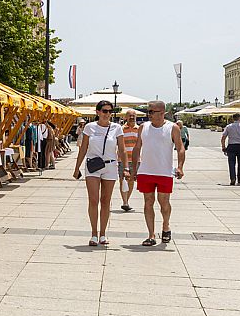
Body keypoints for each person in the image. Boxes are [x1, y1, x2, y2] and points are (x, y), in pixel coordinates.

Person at [129, 100, 186, 246]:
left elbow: (180, 148)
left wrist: (180, 167)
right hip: (146, 171)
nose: (148, 114)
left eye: (151, 112)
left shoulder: (172, 128)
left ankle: (166, 226)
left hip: (164, 172)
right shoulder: (143, 127)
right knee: (148, 202)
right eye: (148, 111)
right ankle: (151, 235)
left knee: (164, 203)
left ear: (162, 113)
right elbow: (137, 148)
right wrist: (133, 169)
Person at [73, 101, 127, 246]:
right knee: (93, 200)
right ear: (97, 112)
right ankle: (93, 233)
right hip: (93, 165)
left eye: (110, 111)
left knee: (105, 200)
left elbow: (122, 150)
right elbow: (83, 149)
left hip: (110, 166)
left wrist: (126, 168)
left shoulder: (117, 128)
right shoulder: (90, 128)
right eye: (104, 111)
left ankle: (103, 233)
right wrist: (76, 167)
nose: (107, 114)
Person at [120, 111, 140, 212]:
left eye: (133, 116)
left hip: (136, 160)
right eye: (129, 116)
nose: (132, 117)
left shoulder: (140, 129)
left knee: (131, 181)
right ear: (125, 117)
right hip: (123, 159)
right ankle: (125, 202)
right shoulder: (121, 129)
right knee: (123, 180)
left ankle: (126, 200)